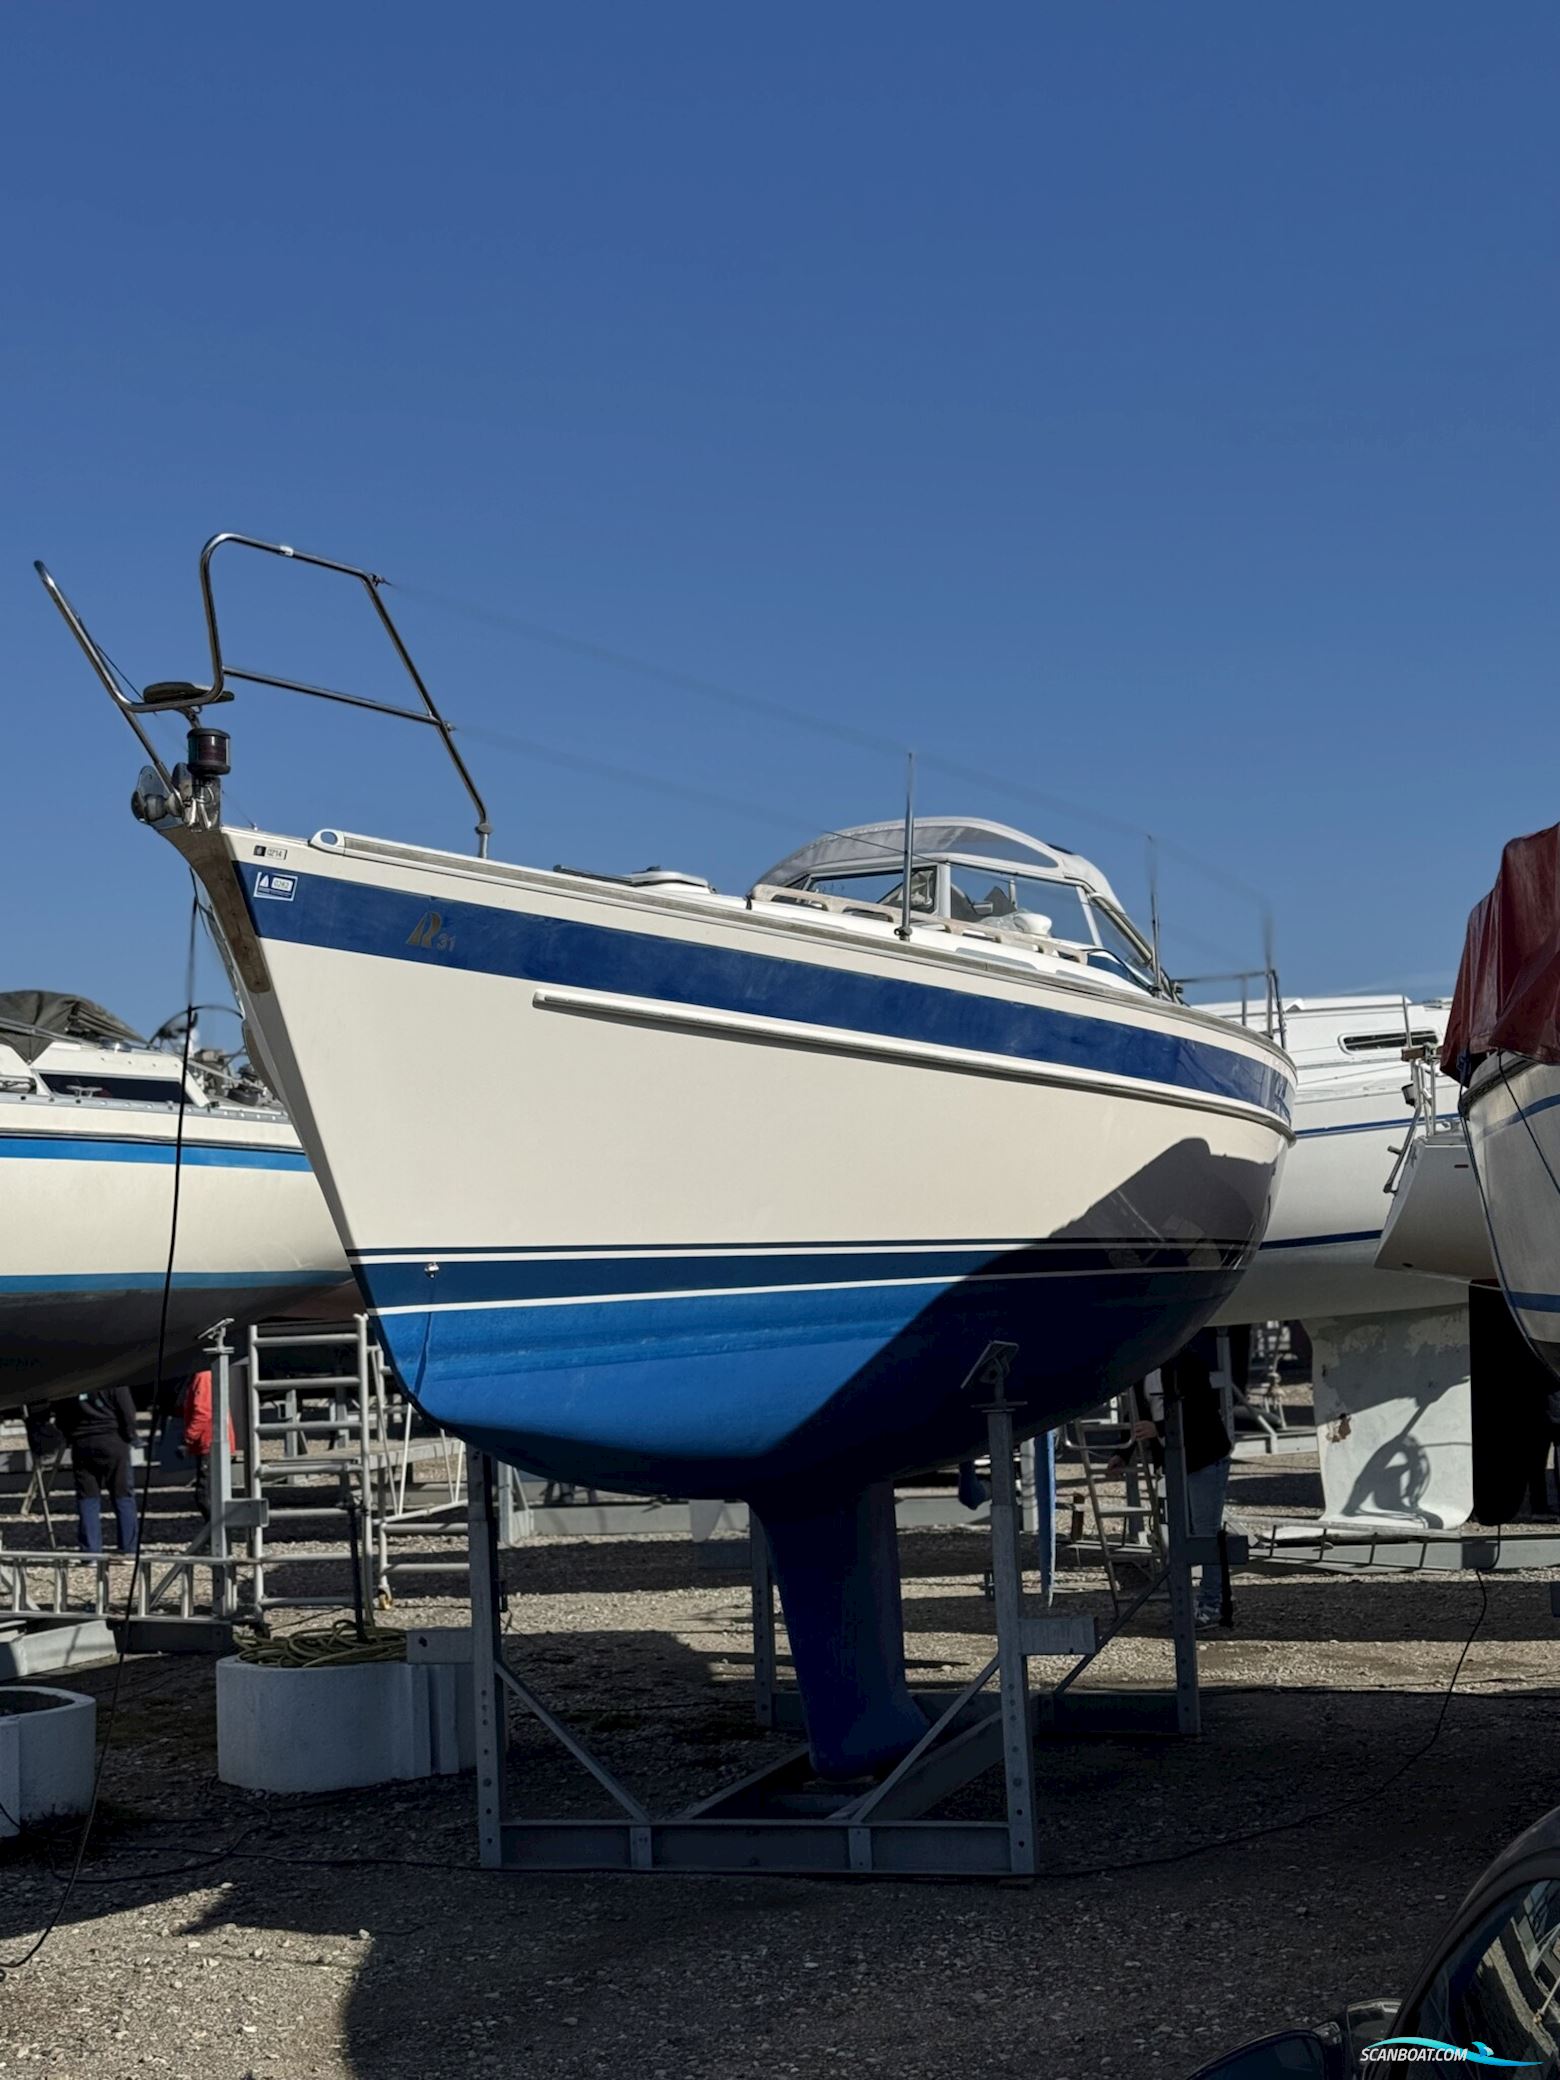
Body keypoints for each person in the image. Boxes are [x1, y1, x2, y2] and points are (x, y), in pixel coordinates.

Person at [54, 1386, 139, 1555]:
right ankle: (128, 1548)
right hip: (113, 1438)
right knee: (122, 1495)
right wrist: (131, 1435)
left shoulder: (72, 1381)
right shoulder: (115, 1380)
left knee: (88, 1497)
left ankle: (90, 1550)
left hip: (82, 1441)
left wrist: (71, 1436)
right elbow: (128, 1411)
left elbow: (61, 1417)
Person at [179, 1368, 235, 1521]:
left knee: (205, 1494)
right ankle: (216, 1535)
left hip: (209, 1441)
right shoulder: (207, 1375)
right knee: (212, 1492)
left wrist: (188, 1438)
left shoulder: (202, 1377)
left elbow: (203, 1412)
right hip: (210, 1440)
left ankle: (215, 1535)